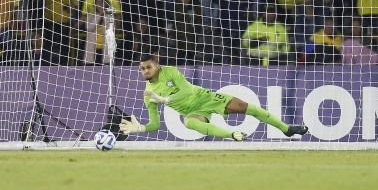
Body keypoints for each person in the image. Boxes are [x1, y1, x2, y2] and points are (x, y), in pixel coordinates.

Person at [118, 54, 308, 141]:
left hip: (206, 98)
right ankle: (232, 135)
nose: (145, 71)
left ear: (156, 66)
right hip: (192, 111)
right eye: (142, 68)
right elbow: (156, 125)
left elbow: (187, 91)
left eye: (148, 67)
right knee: (190, 123)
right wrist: (140, 128)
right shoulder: (148, 94)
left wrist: (165, 100)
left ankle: (287, 129)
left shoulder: (171, 72)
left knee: (248, 107)